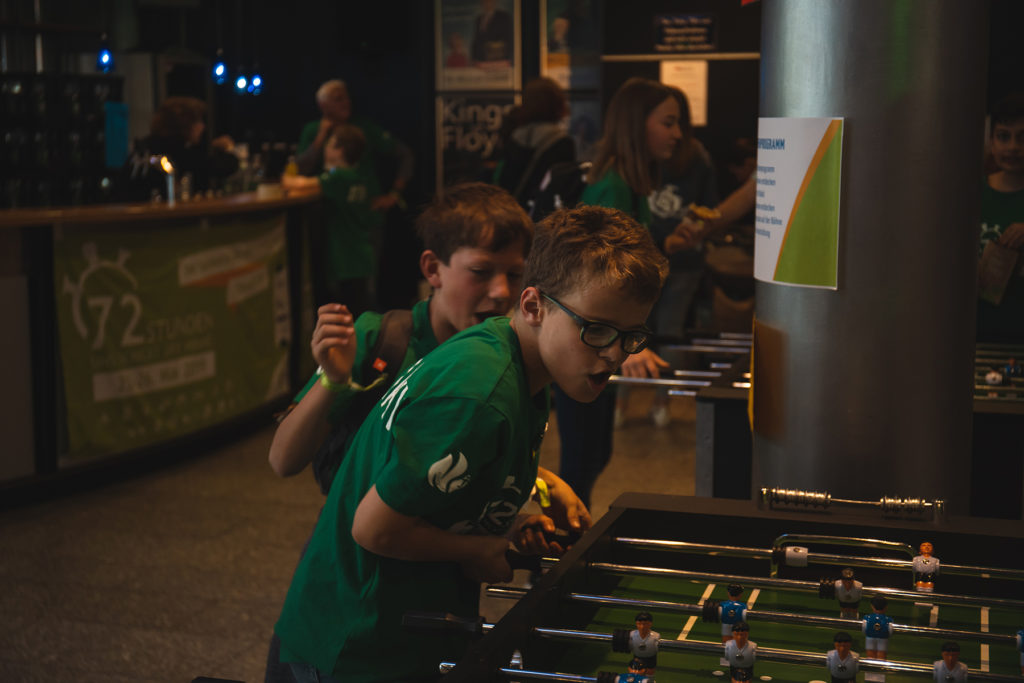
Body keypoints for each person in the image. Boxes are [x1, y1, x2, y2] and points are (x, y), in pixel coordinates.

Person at [272, 204, 668, 681]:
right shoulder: (480, 395)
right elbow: (373, 529)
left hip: (403, 634)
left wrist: (512, 521)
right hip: (352, 650)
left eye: (632, 336)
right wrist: (476, 551)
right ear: (533, 307)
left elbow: (453, 489)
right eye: (597, 329)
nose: (614, 353)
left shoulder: (524, 363)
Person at [554, 76, 681, 508]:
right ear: (636, 124)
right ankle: (557, 563)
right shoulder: (611, 186)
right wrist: (628, 341)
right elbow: (595, 279)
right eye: (668, 122)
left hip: (602, 342)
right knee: (580, 461)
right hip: (588, 343)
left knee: (593, 456)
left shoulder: (629, 185)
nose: (676, 134)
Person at [624, 85, 718, 427]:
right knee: (635, 330)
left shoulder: (693, 156)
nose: (675, 133)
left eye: (677, 123)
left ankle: (654, 403)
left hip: (679, 261)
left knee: (658, 332)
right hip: (651, 262)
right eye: (668, 123)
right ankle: (636, 404)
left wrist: (692, 231)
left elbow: (709, 210)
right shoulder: (630, 174)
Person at [282, 124, 383, 315]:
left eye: (329, 144)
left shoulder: (339, 177)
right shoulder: (360, 175)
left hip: (346, 260)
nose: (325, 149)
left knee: (355, 316)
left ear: (339, 150)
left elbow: (293, 183)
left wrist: (290, 169)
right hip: (361, 256)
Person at [295, 79, 413, 211]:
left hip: (366, 210)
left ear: (342, 151)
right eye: (338, 99)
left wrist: (394, 195)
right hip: (331, 213)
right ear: (323, 105)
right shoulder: (313, 131)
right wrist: (321, 137)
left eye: (347, 98)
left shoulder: (363, 128)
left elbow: (404, 153)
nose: (346, 102)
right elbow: (300, 170)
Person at [121, 96, 238, 200]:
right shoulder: (177, 151)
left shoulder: (145, 146)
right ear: (185, 124)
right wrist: (228, 149)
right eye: (198, 121)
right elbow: (221, 167)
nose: (202, 126)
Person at [977, 92, 1024, 343]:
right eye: (1004, 136)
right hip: (975, 332)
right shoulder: (971, 195)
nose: (1013, 147)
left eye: (1022, 137)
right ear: (992, 141)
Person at [493, 76, 576, 212]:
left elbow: (505, 179)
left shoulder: (514, 136)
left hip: (513, 211)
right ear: (557, 103)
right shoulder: (562, 142)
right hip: (545, 215)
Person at [863, 595, 893, 660]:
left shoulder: (867, 618)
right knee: (882, 653)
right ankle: (880, 668)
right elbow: (890, 631)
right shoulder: (888, 620)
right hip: (883, 638)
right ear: (886, 607)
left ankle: (870, 668)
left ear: (872, 606)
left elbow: (864, 629)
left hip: (870, 637)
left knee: (870, 654)